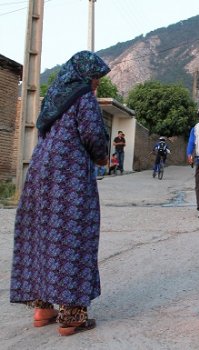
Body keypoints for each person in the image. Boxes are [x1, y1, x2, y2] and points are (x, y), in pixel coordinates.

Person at [10, 51, 110, 336]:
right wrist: (101, 157)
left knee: (44, 234)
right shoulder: (84, 97)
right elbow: (93, 138)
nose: (96, 84)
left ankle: (43, 308)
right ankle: (72, 316)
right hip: (70, 177)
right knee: (72, 237)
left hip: (40, 174)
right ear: (85, 76)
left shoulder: (54, 96)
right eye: (95, 78)